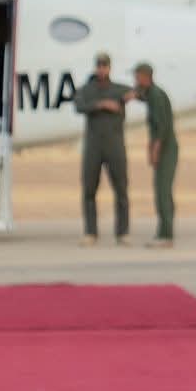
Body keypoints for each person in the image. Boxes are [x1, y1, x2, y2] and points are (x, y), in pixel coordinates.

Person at [76, 52, 132, 246]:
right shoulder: (87, 90)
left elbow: (138, 92)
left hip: (115, 145)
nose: (102, 69)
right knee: (89, 190)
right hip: (93, 146)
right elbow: (79, 106)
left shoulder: (119, 89)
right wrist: (102, 104)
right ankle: (91, 232)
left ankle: (122, 233)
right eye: (99, 66)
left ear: (109, 68)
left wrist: (128, 98)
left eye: (105, 66)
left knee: (121, 190)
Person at [132, 62, 177, 248]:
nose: (135, 80)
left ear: (145, 76)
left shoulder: (156, 96)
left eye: (137, 76)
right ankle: (165, 231)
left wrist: (154, 152)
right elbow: (141, 96)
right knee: (163, 191)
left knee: (162, 191)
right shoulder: (152, 93)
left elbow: (161, 128)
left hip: (165, 148)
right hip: (165, 146)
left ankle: (166, 234)